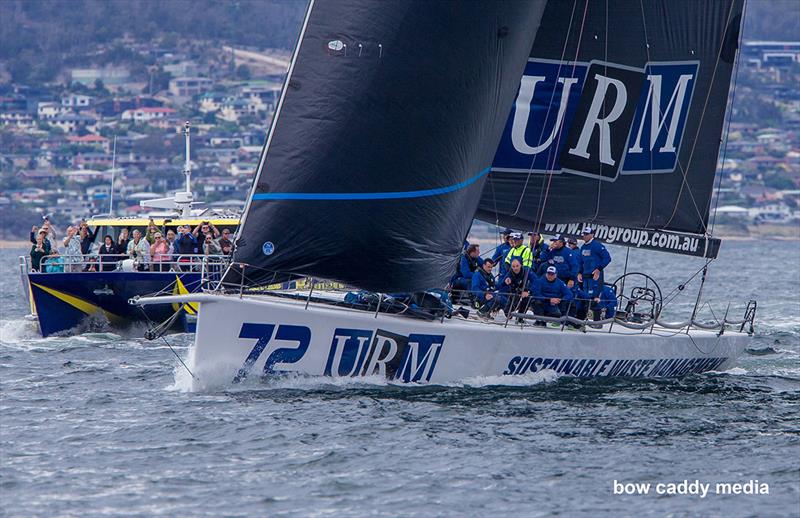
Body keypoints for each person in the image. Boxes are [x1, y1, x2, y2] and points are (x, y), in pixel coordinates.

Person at [577, 226, 611, 296]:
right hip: (585, 276)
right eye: (584, 234)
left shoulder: (597, 245)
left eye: (586, 234)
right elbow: (580, 261)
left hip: (595, 277)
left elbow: (607, 258)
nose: (584, 236)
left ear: (592, 235)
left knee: (593, 297)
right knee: (584, 296)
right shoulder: (583, 247)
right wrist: (579, 272)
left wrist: (598, 269)